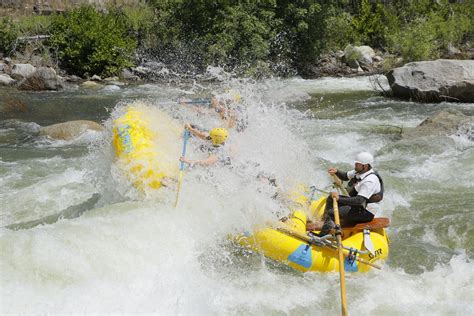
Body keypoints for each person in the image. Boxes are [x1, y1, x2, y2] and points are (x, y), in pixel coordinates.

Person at [316, 152, 384, 237]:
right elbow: (345, 176)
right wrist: (336, 172)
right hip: (359, 206)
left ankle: (321, 236)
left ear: (365, 166)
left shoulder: (370, 181)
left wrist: (339, 199)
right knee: (330, 198)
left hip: (365, 212)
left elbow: (359, 200)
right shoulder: (359, 171)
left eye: (357, 164)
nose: (355, 165)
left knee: (331, 212)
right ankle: (325, 223)